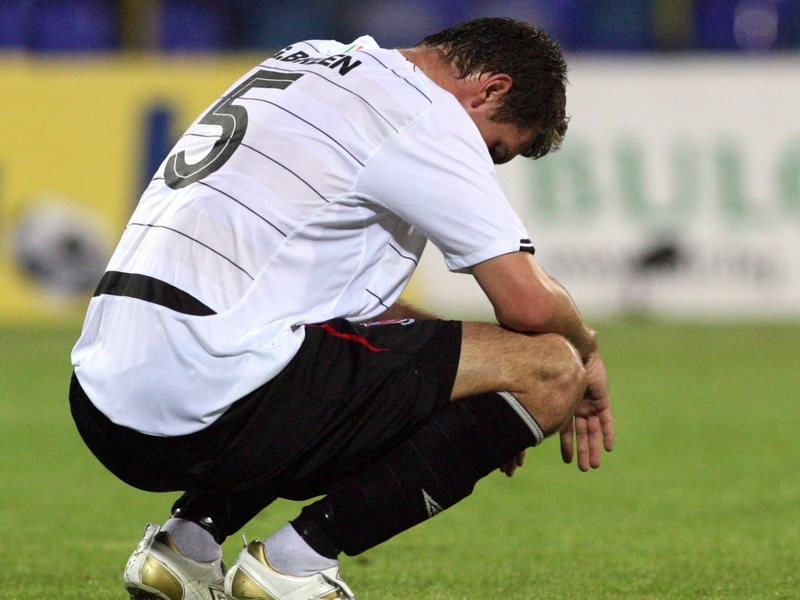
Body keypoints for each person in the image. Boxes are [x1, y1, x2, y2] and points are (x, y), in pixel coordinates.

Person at [69, 17, 613, 600]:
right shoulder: (423, 115)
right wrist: (586, 349)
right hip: (207, 399)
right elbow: (527, 305)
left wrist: (471, 390)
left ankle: (186, 547)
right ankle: (291, 566)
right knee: (551, 367)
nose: (486, 163)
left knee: (313, 349)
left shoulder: (306, 58)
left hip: (101, 396)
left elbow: (361, 325)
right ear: (492, 89)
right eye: (496, 148)